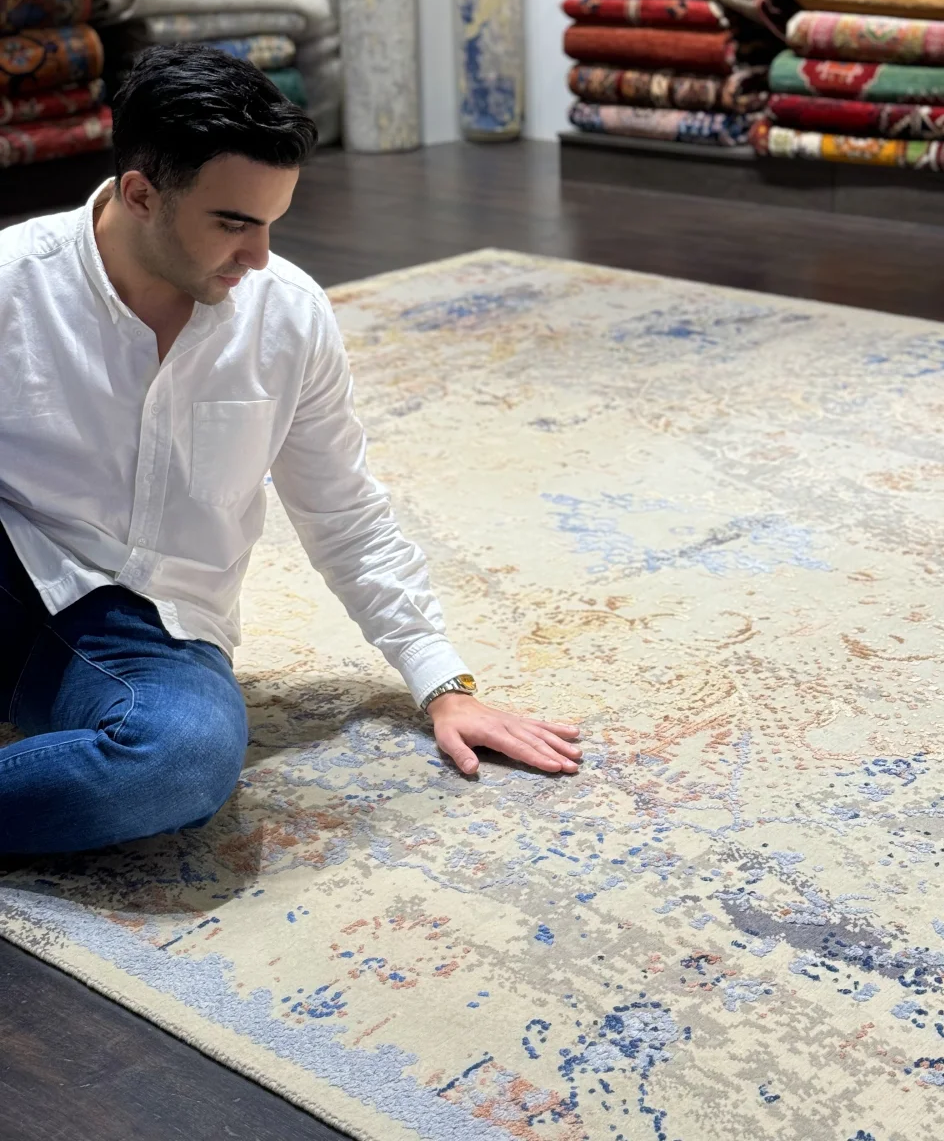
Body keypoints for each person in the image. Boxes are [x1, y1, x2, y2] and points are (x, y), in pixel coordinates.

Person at [0, 45, 581, 856]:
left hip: (148, 624)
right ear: (141, 195)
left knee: (182, 764)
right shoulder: (13, 284)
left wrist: (443, 682)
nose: (260, 255)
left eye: (272, 222)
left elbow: (345, 513)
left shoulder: (288, 317)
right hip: (13, 561)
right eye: (234, 223)